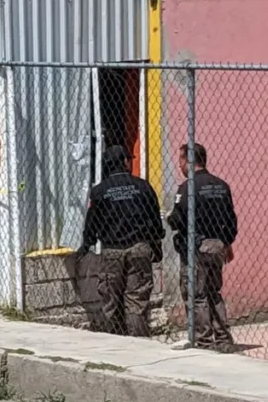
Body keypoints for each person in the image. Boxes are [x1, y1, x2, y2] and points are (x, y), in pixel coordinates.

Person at [79, 146, 164, 337]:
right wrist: (156, 246)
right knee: (136, 301)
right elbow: (154, 220)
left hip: (112, 251)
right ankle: (139, 343)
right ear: (125, 162)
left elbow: (92, 221)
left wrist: (87, 244)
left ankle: (116, 342)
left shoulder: (100, 191)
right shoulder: (143, 186)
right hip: (138, 248)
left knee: (111, 301)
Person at [167, 143, 238, 352]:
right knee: (213, 292)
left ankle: (203, 340)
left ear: (188, 161)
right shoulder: (221, 185)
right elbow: (231, 219)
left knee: (195, 293)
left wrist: (170, 219)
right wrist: (226, 242)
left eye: (180, 160)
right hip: (217, 245)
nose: (179, 165)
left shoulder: (187, 188)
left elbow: (178, 220)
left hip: (196, 247)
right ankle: (223, 338)